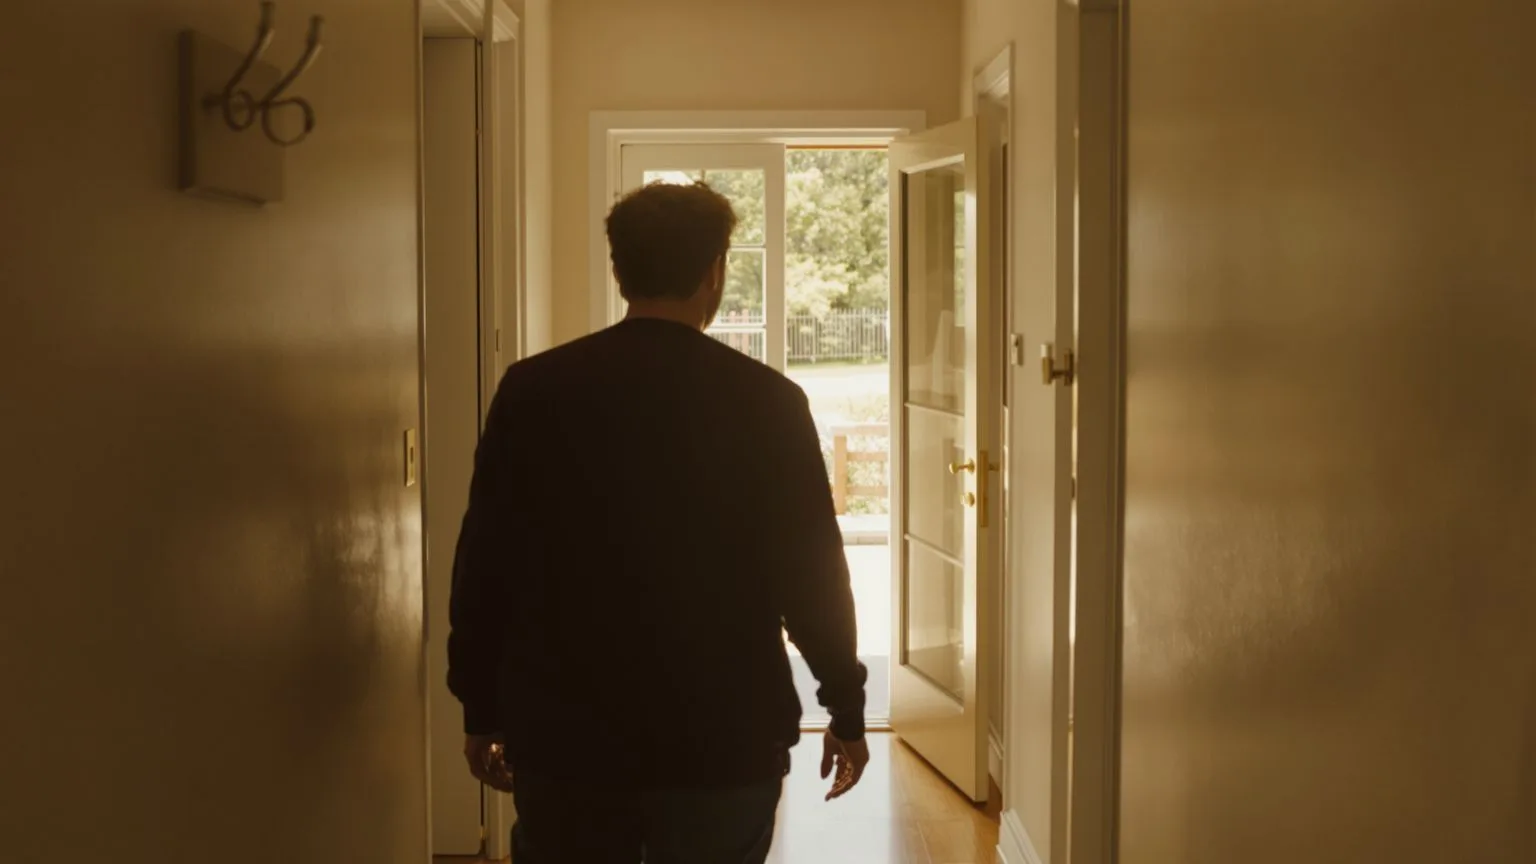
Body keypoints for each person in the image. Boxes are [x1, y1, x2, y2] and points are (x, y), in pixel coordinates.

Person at [447, 181, 870, 864]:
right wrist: (845, 710)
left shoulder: (533, 390)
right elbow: (813, 575)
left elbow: (487, 562)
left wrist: (480, 707)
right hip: (723, 733)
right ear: (715, 272)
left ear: (619, 270)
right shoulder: (769, 402)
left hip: (565, 731)